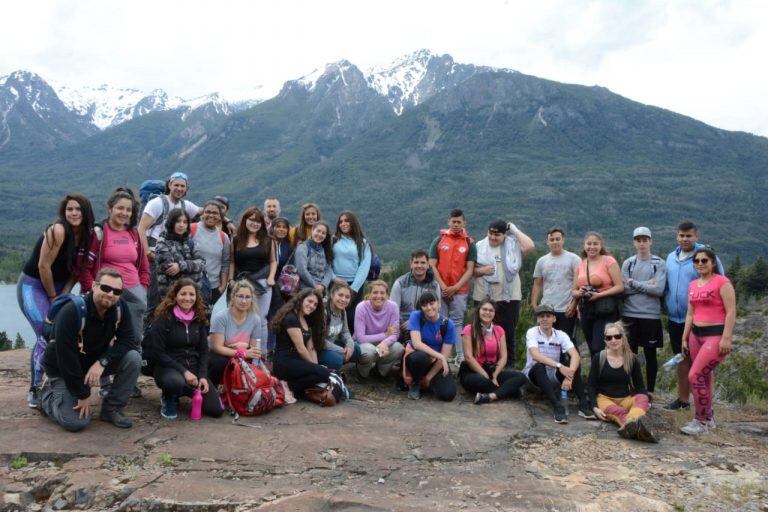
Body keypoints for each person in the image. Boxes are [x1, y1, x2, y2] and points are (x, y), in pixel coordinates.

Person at [18, 193, 95, 408]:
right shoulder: (58, 231)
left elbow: (78, 268)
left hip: (60, 286)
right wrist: (53, 297)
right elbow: (43, 266)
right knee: (45, 330)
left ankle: (56, 381)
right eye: (69, 209)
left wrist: (66, 293)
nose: (73, 213)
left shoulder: (87, 235)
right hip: (34, 285)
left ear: (86, 212)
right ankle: (35, 387)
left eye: (78, 209)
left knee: (65, 332)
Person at [40, 268, 141, 431]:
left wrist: (102, 362)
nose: (111, 294)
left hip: (93, 362)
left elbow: (127, 340)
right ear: (94, 286)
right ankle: (47, 397)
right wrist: (83, 394)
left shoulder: (120, 308)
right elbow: (66, 358)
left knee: (133, 358)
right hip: (63, 369)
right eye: (106, 288)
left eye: (117, 291)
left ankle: (112, 409)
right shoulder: (72, 312)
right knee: (76, 423)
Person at [664, 221, 725, 411]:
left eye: (689, 235)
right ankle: (683, 400)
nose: (685, 239)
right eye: (681, 236)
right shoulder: (670, 258)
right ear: (677, 236)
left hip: (701, 322)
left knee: (702, 366)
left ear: (696, 236)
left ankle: (706, 406)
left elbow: (720, 283)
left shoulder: (705, 256)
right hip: (675, 320)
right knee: (682, 359)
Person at [147, 279, 224, 420]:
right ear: (175, 295)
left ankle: (188, 390)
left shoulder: (199, 317)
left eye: (191, 294)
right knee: (175, 382)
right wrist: (184, 372)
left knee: (216, 410)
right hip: (168, 367)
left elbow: (203, 351)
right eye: (183, 294)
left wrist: (202, 376)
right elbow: (157, 353)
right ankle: (169, 397)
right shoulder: (164, 318)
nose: (187, 298)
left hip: (193, 368)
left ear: (196, 297)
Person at [83, 188, 150, 347]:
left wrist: (143, 288)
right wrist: (93, 290)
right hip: (107, 290)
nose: (124, 213)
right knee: (103, 333)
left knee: (133, 336)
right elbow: (85, 267)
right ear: (110, 208)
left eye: (128, 210)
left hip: (134, 290)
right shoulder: (99, 232)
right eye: (120, 208)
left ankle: (132, 363)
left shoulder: (133, 233)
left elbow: (144, 265)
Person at [680, 248, 735, 435]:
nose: (700, 263)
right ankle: (709, 418)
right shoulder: (693, 285)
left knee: (695, 375)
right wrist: (684, 337)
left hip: (715, 335)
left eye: (705, 260)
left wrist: (726, 338)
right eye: (697, 261)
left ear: (713, 263)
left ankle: (700, 421)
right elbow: (690, 313)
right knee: (704, 377)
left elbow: (731, 312)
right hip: (696, 334)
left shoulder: (722, 282)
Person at [473, 220, 535, 367]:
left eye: (497, 235)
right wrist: (482, 270)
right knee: (481, 333)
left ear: (504, 234)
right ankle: (482, 364)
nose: (493, 237)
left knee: (507, 334)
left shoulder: (513, 244)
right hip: (483, 296)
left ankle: (508, 367)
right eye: (491, 233)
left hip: (509, 297)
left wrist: (513, 229)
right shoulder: (478, 246)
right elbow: (470, 271)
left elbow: (530, 246)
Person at [523, 304, 595, 423]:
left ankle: (583, 404)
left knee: (572, 364)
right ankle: (557, 406)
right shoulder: (532, 332)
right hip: (533, 377)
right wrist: (559, 366)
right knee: (539, 366)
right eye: (541, 316)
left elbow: (576, 355)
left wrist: (569, 374)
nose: (545, 319)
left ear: (554, 319)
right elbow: (535, 355)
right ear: (538, 319)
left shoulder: (561, 334)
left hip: (553, 375)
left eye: (548, 316)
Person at [589, 322, 657, 442]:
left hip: (625, 398)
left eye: (617, 336)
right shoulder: (599, 357)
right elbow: (591, 385)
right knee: (618, 412)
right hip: (605, 399)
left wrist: (647, 400)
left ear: (623, 337)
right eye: (609, 338)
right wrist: (594, 407)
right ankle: (639, 429)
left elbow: (640, 387)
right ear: (605, 340)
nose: (613, 340)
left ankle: (631, 425)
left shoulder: (632, 359)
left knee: (642, 397)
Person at [621, 227, 666, 394]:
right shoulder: (628, 263)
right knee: (630, 354)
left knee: (650, 355)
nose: (642, 243)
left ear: (651, 241)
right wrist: (648, 285)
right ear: (634, 242)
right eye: (638, 240)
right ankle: (633, 388)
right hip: (630, 314)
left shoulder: (659, 263)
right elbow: (623, 289)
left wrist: (635, 284)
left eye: (645, 240)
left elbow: (659, 289)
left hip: (650, 316)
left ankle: (650, 391)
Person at [428, 208, 476, 364]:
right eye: (453, 221)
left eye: (459, 222)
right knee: (439, 320)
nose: (456, 224)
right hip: (439, 289)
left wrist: (455, 287)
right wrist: (442, 286)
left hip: (460, 290)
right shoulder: (439, 240)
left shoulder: (469, 242)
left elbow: (470, 270)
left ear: (464, 223)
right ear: (448, 222)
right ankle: (440, 354)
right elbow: (432, 265)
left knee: (457, 322)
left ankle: (460, 355)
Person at [460, 300, 527, 405]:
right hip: (473, 371)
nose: (488, 313)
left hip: (493, 370)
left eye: (491, 310)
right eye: (484, 309)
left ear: (494, 313)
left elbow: (504, 356)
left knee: (521, 377)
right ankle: (509, 391)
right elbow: (468, 357)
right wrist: (486, 376)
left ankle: (490, 396)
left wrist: (494, 376)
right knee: (482, 381)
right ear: (478, 311)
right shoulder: (469, 329)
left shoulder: (499, 330)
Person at [269, 289, 334, 396]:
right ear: (301, 299)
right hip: (284, 362)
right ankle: (286, 387)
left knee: (323, 373)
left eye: (315, 304)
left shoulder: (305, 319)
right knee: (323, 373)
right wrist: (315, 369)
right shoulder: (291, 318)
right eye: (309, 301)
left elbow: (311, 348)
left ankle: (293, 388)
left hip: (296, 361)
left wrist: (315, 367)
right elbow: (301, 349)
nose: (312, 306)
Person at [229, 207, 276, 350]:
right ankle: (242, 352)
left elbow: (273, 261)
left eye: (258, 221)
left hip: (262, 283)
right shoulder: (236, 240)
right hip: (241, 284)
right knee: (240, 318)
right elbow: (232, 261)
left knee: (260, 320)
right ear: (245, 220)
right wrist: (231, 279)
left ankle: (260, 354)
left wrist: (271, 278)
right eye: (251, 220)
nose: (254, 224)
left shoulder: (268, 240)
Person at [571, 232, 624, 356]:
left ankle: (608, 372)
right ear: (584, 246)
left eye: (595, 244)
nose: (592, 247)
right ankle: (597, 373)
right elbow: (573, 290)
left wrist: (599, 295)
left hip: (605, 308)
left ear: (601, 246)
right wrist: (578, 293)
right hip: (586, 310)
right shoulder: (580, 265)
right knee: (591, 346)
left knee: (599, 346)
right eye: (589, 244)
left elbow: (620, 286)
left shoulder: (608, 261)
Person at [403, 291, 457, 401]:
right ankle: (416, 384)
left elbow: (444, 355)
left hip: (435, 362)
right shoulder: (416, 316)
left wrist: (428, 378)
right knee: (420, 357)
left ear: (438, 303)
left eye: (432, 303)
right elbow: (417, 344)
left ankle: (428, 382)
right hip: (417, 358)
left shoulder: (448, 325)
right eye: (424, 305)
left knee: (448, 394)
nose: (429, 307)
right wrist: (440, 356)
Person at [207, 280, 263, 386]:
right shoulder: (221, 317)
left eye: (247, 297)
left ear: (252, 299)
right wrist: (241, 352)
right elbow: (216, 347)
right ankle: (212, 389)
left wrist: (246, 346)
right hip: (221, 355)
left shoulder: (255, 319)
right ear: (233, 297)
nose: (244, 301)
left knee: (255, 363)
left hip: (243, 355)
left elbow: (253, 348)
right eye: (240, 296)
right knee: (219, 362)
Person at [530, 227, 582, 339]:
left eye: (557, 239)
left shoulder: (574, 259)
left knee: (567, 342)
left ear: (563, 240)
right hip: (547, 309)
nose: (555, 242)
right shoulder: (542, 261)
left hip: (567, 310)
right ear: (547, 242)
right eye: (552, 239)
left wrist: (574, 305)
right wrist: (534, 304)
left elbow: (579, 285)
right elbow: (537, 284)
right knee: (546, 341)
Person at [137, 171, 201, 260]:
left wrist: (227, 221)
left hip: (173, 254)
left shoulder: (186, 205)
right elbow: (141, 228)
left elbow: (208, 211)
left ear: (187, 188)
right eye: (176, 185)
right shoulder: (157, 203)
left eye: (182, 186)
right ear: (169, 185)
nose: (179, 189)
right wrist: (147, 252)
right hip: (154, 252)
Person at [152, 209, 206, 310]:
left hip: (193, 297)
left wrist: (180, 266)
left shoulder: (190, 243)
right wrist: (192, 268)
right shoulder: (162, 243)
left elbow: (202, 263)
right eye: (178, 221)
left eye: (185, 222)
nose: (181, 225)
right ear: (171, 222)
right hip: (171, 298)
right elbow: (171, 270)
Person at [354, 280, 405, 379]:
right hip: (365, 345)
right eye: (375, 292)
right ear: (369, 294)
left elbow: (395, 334)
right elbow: (360, 338)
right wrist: (385, 335)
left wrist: (385, 342)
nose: (379, 296)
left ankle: (380, 371)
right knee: (370, 352)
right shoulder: (361, 307)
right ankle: (362, 373)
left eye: (382, 293)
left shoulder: (393, 307)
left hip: (383, 344)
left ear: (387, 295)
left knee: (399, 348)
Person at [332, 211, 372, 334]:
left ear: (353, 222)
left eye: (346, 220)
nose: (343, 224)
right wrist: (333, 278)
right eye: (341, 221)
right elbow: (327, 262)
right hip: (336, 283)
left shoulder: (363, 243)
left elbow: (364, 266)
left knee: (351, 316)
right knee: (334, 314)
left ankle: (349, 346)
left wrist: (353, 287)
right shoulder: (333, 240)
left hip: (355, 285)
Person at [390, 249, 441, 342]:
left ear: (428, 264)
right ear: (411, 264)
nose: (419, 266)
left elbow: (437, 310)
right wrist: (405, 325)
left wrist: (415, 322)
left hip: (425, 325)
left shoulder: (434, 286)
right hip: (402, 328)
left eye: (423, 262)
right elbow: (393, 310)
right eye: (416, 262)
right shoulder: (400, 283)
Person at [191, 200, 231, 306]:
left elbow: (225, 263)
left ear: (220, 217)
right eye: (208, 212)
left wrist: (222, 287)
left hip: (213, 288)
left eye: (215, 213)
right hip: (190, 285)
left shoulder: (224, 237)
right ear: (203, 213)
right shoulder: (191, 229)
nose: (211, 215)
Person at [317, 282, 362, 372]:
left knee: (356, 349)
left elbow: (345, 332)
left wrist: (350, 346)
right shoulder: (323, 311)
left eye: (347, 297)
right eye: (340, 295)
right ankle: (327, 367)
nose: (343, 299)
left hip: (332, 344)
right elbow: (319, 340)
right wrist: (341, 350)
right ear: (332, 295)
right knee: (337, 361)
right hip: (319, 348)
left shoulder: (342, 311)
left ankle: (336, 362)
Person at [295, 221, 334, 294]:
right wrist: (315, 286)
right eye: (318, 231)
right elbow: (302, 270)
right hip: (304, 289)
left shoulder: (325, 249)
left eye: (323, 233)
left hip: (321, 290)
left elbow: (329, 269)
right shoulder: (303, 247)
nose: (320, 234)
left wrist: (323, 285)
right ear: (312, 230)